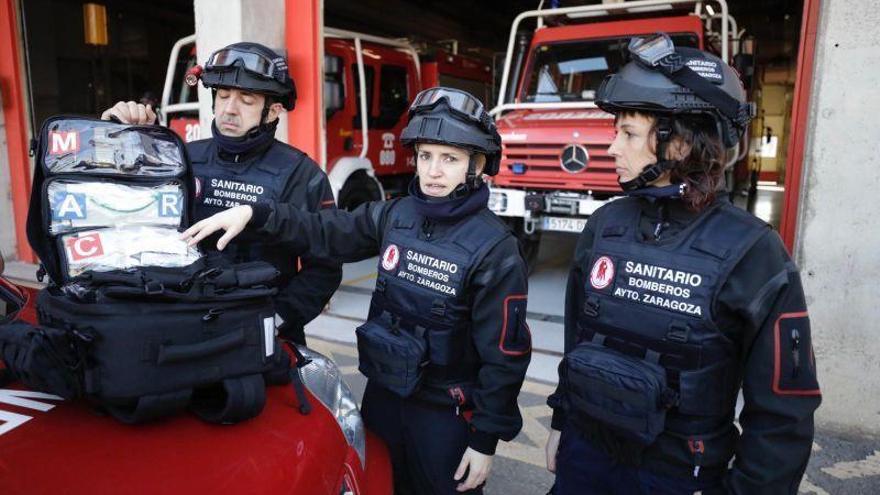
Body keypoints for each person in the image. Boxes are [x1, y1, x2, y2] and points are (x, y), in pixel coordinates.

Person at [180, 87, 533, 494]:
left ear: (477, 165)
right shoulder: (396, 214)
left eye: (449, 159)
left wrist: (484, 439)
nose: (433, 171)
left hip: (445, 416)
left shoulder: (495, 248)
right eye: (425, 157)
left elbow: (506, 356)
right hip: (383, 398)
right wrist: (256, 213)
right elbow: (326, 231)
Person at [544, 34, 821, 494]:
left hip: (677, 473)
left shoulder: (752, 251)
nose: (612, 148)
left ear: (679, 144)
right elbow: (578, 340)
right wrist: (560, 422)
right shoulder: (604, 225)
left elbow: (783, 412)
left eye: (628, 133)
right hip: (585, 455)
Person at [101, 42, 342, 346]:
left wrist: (277, 319)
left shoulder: (302, 174)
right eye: (224, 96)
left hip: (265, 334)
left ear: (274, 111)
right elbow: (130, 219)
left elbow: (325, 266)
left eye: (247, 99)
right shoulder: (182, 158)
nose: (229, 108)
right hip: (185, 325)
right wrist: (121, 139)